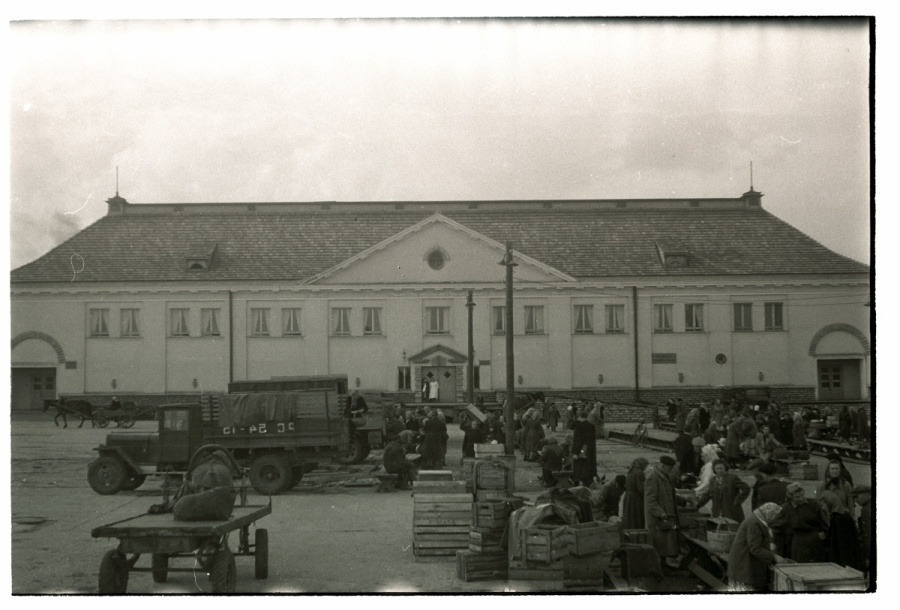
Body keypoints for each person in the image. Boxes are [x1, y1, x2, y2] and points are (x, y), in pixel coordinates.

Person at [727, 502, 791, 591]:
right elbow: (755, 548)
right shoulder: (754, 523)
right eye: (774, 517)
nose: (775, 521)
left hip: (745, 564)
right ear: (769, 514)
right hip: (743, 565)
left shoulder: (759, 520)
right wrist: (774, 556)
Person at [645, 455, 686, 566]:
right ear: (663, 466)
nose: (671, 470)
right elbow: (650, 500)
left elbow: (669, 494)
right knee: (659, 544)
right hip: (658, 518)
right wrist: (661, 513)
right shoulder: (653, 477)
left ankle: (662, 566)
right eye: (670, 468)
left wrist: (683, 501)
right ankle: (659, 569)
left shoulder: (664, 476)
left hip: (666, 516)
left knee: (665, 545)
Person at [772, 482, 828, 563]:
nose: (801, 499)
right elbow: (776, 527)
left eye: (802, 495)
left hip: (815, 540)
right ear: (791, 498)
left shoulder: (814, 504)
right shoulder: (786, 509)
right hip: (799, 542)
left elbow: (824, 521)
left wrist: (824, 533)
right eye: (797, 497)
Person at [819, 490, 864, 571]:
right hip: (848, 562)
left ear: (829, 503)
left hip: (843, 563)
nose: (822, 508)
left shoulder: (839, 519)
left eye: (823, 505)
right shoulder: (842, 517)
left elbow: (842, 546)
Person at [571, 409, 597, 486]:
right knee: (587, 467)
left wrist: (576, 453)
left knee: (578, 467)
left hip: (581, 450)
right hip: (590, 450)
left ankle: (576, 482)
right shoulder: (591, 426)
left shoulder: (579, 427)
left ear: (579, 417)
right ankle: (587, 482)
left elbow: (578, 441)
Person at [621, 457, 649, 529]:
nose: (645, 468)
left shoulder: (630, 471)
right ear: (642, 465)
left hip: (628, 497)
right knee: (637, 517)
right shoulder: (639, 473)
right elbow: (640, 489)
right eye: (645, 466)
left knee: (630, 517)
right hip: (636, 498)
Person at [852, 484, 872, 575]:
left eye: (857, 496)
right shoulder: (867, 507)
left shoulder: (867, 510)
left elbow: (868, 534)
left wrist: (867, 555)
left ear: (867, 494)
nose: (855, 500)